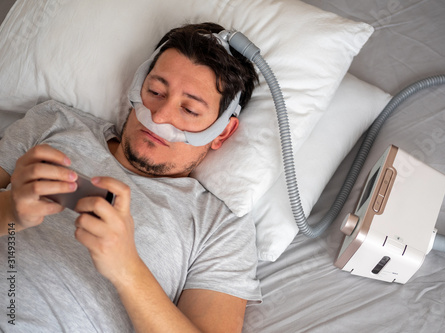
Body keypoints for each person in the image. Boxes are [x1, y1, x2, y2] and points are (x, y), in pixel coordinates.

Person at [0, 22, 261, 332]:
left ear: (222, 132)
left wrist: (127, 270)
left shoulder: (220, 226)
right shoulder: (54, 122)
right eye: (155, 91)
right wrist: (9, 211)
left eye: (189, 110)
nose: (159, 117)